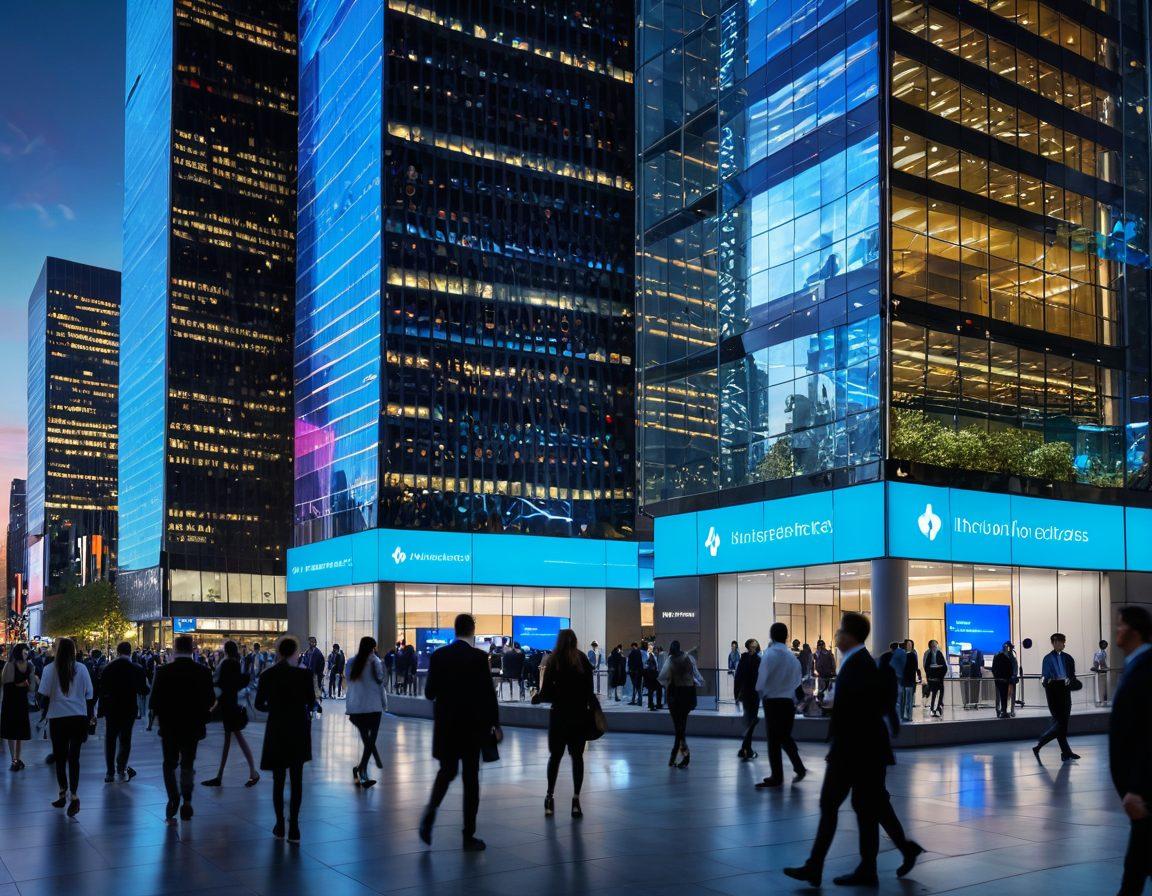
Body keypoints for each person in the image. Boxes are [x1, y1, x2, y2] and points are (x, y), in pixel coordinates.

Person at [784, 613, 922, 887]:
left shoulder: (859, 665)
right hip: (862, 749)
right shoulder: (858, 663)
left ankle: (822, 868)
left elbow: (860, 709)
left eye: (840, 632)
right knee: (870, 806)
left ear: (850, 636)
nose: (836, 636)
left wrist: (831, 713)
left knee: (842, 805)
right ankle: (880, 861)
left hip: (856, 750)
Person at [420, 613, 501, 851]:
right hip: (472, 729)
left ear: (455, 630)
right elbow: (488, 695)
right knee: (471, 780)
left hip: (447, 728)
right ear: (472, 630)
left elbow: (429, 693)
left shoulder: (438, 656)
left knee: (446, 771)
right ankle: (468, 835)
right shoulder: (478, 657)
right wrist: (495, 724)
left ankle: (430, 812)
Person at [1108, 605, 1152, 896]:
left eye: (1120, 626)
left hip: (1146, 793)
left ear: (1133, 631)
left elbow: (1148, 734)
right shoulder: (1137, 666)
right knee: (1137, 866)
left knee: (1134, 872)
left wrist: (1136, 787)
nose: (1116, 632)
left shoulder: (1146, 669)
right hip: (1141, 793)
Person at [150, 634, 216, 821]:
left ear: (176, 649)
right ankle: (187, 799)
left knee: (169, 763)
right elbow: (211, 699)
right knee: (187, 763)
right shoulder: (203, 671)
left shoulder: (163, 671)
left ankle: (173, 798)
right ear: (192, 649)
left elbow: (154, 702)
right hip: (193, 726)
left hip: (170, 725)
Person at [256, 637, 315, 841]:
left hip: (277, 729)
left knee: (278, 780)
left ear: (279, 652)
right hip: (298, 729)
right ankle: (295, 827)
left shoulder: (268, 675)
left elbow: (258, 704)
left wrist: (273, 708)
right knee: (296, 779)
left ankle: (280, 824)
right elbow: (311, 701)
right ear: (295, 653)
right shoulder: (304, 675)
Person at [532, 628, 595, 818]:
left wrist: (537, 697)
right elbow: (589, 691)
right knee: (577, 758)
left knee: (555, 758)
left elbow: (546, 694)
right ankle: (576, 800)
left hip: (559, 716)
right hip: (578, 717)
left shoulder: (554, 660)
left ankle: (549, 798)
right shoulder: (582, 659)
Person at [36, 638, 93, 817]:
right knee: (74, 758)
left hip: (58, 718)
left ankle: (62, 792)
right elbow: (89, 693)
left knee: (60, 757)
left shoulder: (49, 669)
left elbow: (43, 694)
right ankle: (74, 795)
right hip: (78, 717)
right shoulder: (82, 668)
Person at [754, 623, 807, 788]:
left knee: (773, 740)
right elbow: (798, 680)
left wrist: (761, 694)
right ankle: (798, 767)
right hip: (787, 702)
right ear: (787, 636)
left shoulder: (769, 655)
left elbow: (761, 681)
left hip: (773, 701)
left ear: (771, 635)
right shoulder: (792, 658)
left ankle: (777, 776)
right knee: (784, 736)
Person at [202, 640, 259, 788]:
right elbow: (236, 683)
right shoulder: (235, 662)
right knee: (232, 739)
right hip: (231, 704)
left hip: (229, 706)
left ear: (226, 650)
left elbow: (221, 683)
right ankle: (225, 775)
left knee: (234, 738)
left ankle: (250, 772)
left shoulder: (227, 663)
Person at [97, 641, 150, 783]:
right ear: (130, 651)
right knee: (125, 739)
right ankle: (121, 766)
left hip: (112, 708)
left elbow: (103, 690)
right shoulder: (136, 668)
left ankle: (110, 772)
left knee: (110, 739)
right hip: (129, 709)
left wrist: (101, 711)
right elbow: (143, 690)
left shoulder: (109, 668)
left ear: (118, 652)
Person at [345, 636, 387, 788]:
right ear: (373, 648)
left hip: (357, 708)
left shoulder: (351, 662)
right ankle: (361, 771)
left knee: (367, 741)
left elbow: (349, 682)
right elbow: (380, 682)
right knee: (370, 741)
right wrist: (384, 704)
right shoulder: (375, 662)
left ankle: (361, 770)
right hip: (374, 707)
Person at [1033, 632, 1080, 762]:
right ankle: (1045, 744)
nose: (1057, 643)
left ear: (1064, 643)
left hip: (1065, 690)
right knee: (1061, 723)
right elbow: (1045, 676)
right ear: (1052, 643)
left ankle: (1062, 752)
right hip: (1054, 690)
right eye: (1055, 641)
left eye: (1059, 641)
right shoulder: (1047, 658)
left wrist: (1070, 681)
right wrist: (1046, 683)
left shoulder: (1068, 658)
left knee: (1063, 723)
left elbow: (1072, 675)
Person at [658, 640, 704, 768]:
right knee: (680, 728)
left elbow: (663, 677)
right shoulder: (688, 659)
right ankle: (676, 757)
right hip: (687, 696)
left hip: (675, 696)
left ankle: (681, 757)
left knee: (679, 729)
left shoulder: (671, 660)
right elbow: (696, 675)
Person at [1, 643, 35, 770]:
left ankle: (16, 758)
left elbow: (31, 688)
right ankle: (15, 758)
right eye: (25, 652)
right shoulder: (15, 665)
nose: (26, 654)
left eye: (27, 652)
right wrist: (22, 684)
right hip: (14, 702)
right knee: (14, 732)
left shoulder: (17, 665)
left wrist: (26, 683)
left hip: (16, 702)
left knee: (16, 731)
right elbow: (8, 685)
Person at [733, 639, 761, 760]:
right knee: (752, 720)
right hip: (753, 694)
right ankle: (746, 749)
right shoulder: (757, 660)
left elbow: (738, 678)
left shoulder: (743, 660)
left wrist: (737, 694)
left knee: (750, 720)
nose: (754, 647)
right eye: (753, 645)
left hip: (746, 694)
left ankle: (745, 748)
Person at [991, 642, 1018, 719]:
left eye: (1010, 647)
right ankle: (999, 711)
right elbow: (994, 668)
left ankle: (1011, 710)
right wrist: (997, 678)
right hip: (1001, 680)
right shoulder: (998, 656)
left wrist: (1014, 676)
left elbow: (1015, 667)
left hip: (1011, 680)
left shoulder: (1012, 656)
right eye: (1008, 647)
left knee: (1011, 695)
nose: (1009, 648)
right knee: (999, 696)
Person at [298, 636, 325, 708]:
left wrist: (320, 673)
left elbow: (321, 664)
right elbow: (305, 661)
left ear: (316, 643)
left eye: (313, 642)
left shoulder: (318, 652)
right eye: (310, 641)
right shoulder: (307, 651)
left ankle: (318, 702)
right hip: (309, 673)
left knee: (316, 688)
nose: (312, 643)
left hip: (315, 674)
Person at [923, 639, 947, 717]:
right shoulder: (928, 654)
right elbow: (926, 666)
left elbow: (944, 666)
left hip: (939, 678)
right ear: (930, 647)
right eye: (933, 646)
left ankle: (938, 708)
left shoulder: (939, 653)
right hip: (932, 679)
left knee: (940, 693)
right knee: (934, 694)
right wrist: (930, 674)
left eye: (936, 646)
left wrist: (940, 673)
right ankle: (933, 709)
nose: (935, 647)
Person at [899, 639, 920, 722]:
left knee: (909, 700)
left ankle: (909, 716)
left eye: (910, 644)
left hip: (910, 680)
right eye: (908, 644)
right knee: (902, 700)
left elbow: (915, 667)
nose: (909, 646)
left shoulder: (913, 655)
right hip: (903, 680)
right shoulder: (902, 654)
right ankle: (902, 716)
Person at [644, 644, 664, 710]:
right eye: (656, 650)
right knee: (653, 690)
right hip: (653, 676)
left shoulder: (655, 657)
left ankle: (655, 704)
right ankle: (652, 704)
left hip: (654, 676)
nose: (657, 652)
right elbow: (652, 667)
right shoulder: (652, 657)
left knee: (655, 690)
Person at [1092, 639, 1110, 705]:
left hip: (1103, 671)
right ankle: (1101, 700)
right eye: (1104, 644)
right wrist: (1104, 667)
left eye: (1106, 644)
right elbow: (1101, 662)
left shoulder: (1103, 652)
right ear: (1101, 645)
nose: (1105, 646)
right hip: (1101, 671)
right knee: (1101, 686)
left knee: (1104, 686)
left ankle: (1103, 700)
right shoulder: (1099, 653)